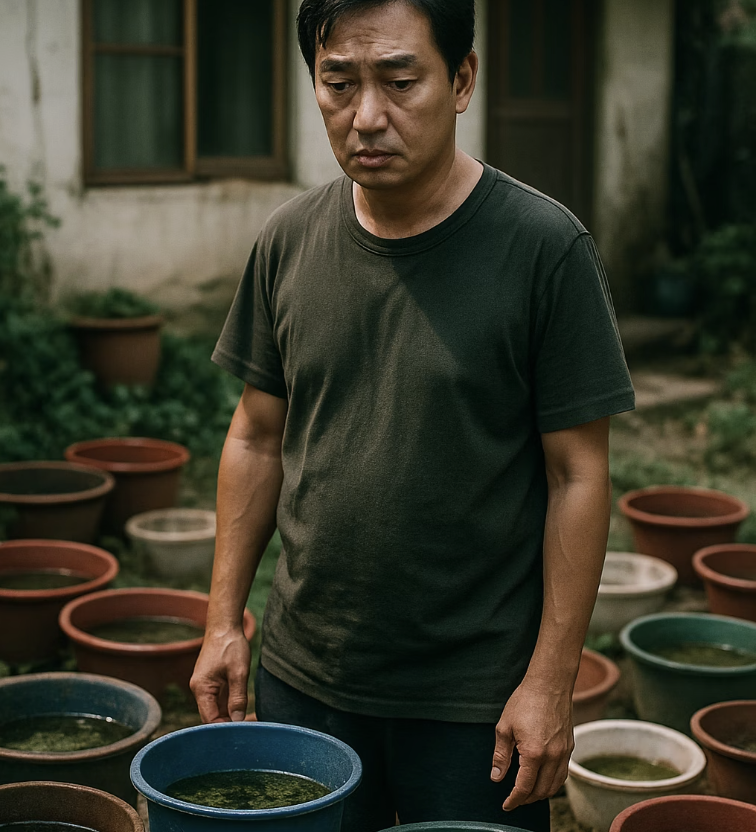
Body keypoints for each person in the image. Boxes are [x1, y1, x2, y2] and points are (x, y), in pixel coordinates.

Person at [190, 1, 635, 829]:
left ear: (461, 80)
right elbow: (255, 437)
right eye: (338, 83)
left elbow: (577, 474)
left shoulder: (544, 249)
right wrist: (223, 622)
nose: (366, 116)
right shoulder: (289, 240)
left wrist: (550, 679)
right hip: (304, 676)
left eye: (400, 81)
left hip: (474, 699)